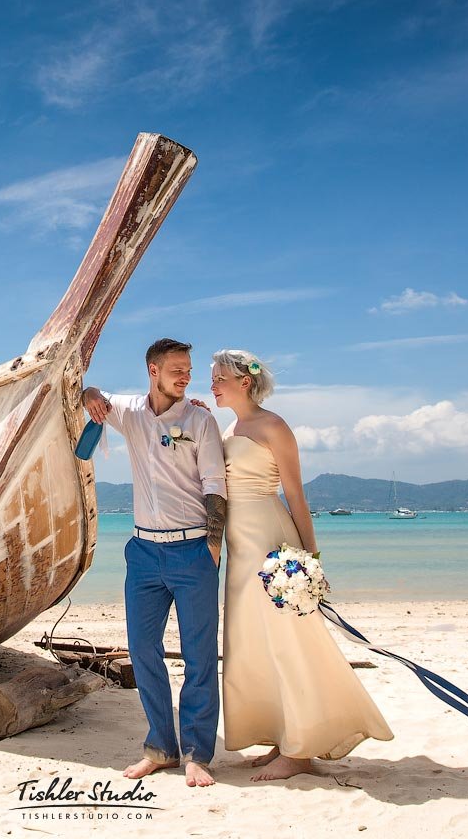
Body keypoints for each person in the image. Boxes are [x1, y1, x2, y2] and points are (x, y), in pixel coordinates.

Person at [210, 348, 393, 782]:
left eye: (218, 378)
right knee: (253, 644)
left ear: (244, 381)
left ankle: (300, 750)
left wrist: (311, 560)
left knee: (288, 642)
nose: (212, 384)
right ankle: (282, 737)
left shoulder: (274, 426)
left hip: (270, 543)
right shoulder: (229, 426)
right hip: (240, 549)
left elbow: (296, 497)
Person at [82, 337, 227, 787]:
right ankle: (161, 746)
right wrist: (90, 397)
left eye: (188, 370)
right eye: (176, 370)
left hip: (192, 550)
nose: (185, 377)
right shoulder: (130, 412)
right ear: (153, 371)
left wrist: (213, 545)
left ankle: (198, 753)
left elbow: (215, 486)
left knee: (199, 656)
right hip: (143, 552)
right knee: (143, 651)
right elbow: (93, 395)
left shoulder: (200, 420)